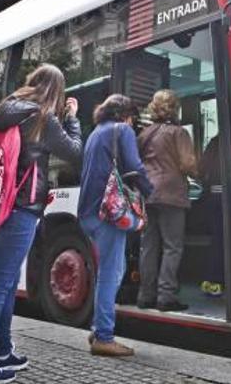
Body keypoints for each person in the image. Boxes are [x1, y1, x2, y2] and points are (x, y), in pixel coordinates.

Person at [0, 64, 83, 383]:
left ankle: (1, 351)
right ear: (56, 90)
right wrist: (72, 118)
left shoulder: (6, 111)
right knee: (0, 284)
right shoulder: (45, 119)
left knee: (4, 281)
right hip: (21, 208)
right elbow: (75, 153)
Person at [78, 94, 152, 357]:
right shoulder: (122, 130)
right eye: (132, 117)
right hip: (107, 212)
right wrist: (150, 191)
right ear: (125, 115)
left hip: (88, 211)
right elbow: (134, 167)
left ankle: (99, 328)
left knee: (111, 271)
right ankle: (104, 337)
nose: (133, 123)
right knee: (111, 273)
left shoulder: (96, 132)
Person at [136, 89, 197, 312]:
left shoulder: (144, 134)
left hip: (148, 193)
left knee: (149, 246)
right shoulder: (178, 133)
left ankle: (145, 295)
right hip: (171, 193)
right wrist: (199, 173)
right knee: (173, 246)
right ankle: (166, 296)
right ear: (174, 108)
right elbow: (188, 164)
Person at [198, 134, 225, 297]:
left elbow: (201, 168)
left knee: (218, 238)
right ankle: (217, 278)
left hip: (214, 195)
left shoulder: (215, 142)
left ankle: (212, 278)